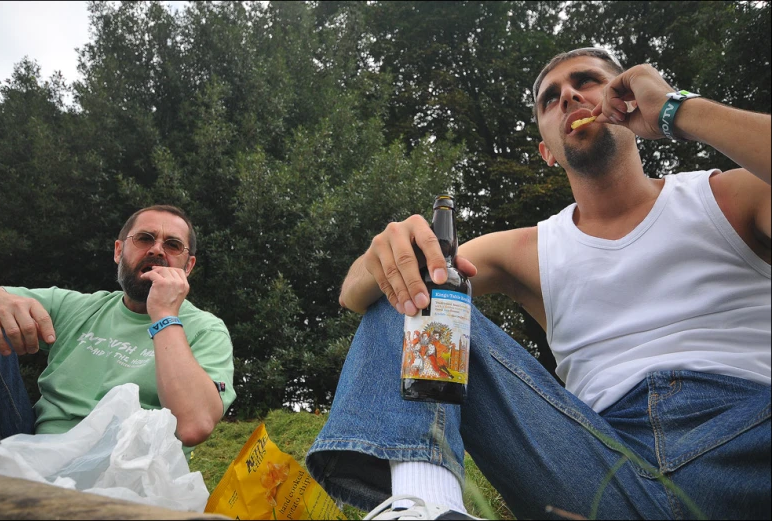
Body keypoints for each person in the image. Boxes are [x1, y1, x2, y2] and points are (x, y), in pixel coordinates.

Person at [305, 47, 771, 520]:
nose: (569, 95)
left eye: (588, 81)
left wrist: (676, 108)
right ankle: (425, 505)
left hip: (748, 436)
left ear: (631, 103)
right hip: (596, 464)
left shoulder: (730, 196)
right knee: (412, 291)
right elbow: (355, 294)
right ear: (547, 151)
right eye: (550, 98)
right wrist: (385, 253)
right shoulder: (530, 250)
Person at [0, 205, 236, 458]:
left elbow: (194, 426)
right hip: (37, 453)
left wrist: (164, 315)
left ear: (188, 267)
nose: (156, 249)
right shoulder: (73, 307)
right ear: (119, 251)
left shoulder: (206, 330)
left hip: (127, 471)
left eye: (172, 245)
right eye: (144, 238)